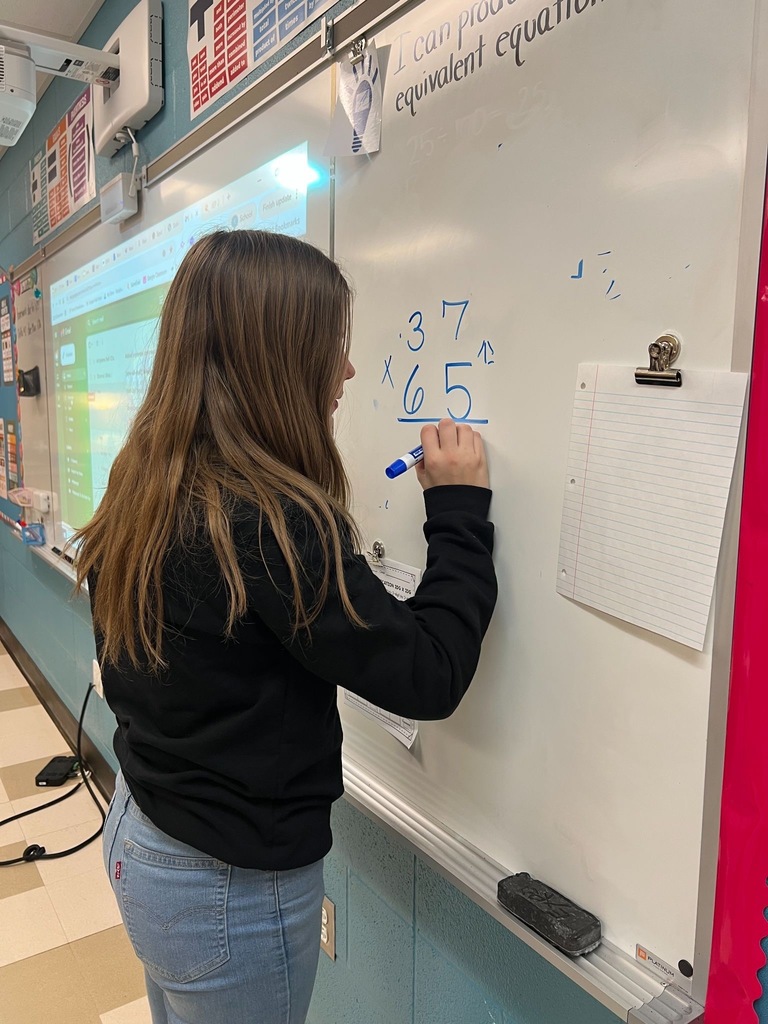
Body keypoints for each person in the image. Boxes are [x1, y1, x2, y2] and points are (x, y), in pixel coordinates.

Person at [73, 229, 497, 1024]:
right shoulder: (274, 520)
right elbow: (429, 672)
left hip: (144, 831)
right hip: (224, 884)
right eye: (332, 343)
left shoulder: (148, 471)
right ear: (278, 356)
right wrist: (460, 511)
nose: (347, 369)